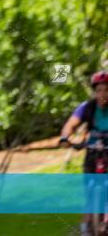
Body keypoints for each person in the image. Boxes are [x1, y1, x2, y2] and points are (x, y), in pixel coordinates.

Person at [59, 70, 108, 236]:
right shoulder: (87, 107)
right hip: (92, 153)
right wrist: (65, 137)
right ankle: (86, 229)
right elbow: (70, 124)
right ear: (95, 91)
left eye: (106, 90)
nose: (102, 94)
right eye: (99, 90)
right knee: (89, 192)